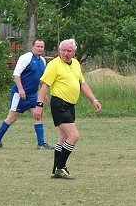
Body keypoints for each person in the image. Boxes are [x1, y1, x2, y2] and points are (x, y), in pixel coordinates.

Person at [34, 39, 101, 179]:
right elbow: (44, 85)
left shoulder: (76, 64)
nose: (65, 53)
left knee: (63, 138)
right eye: (63, 50)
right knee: (74, 136)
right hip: (59, 104)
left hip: (70, 105)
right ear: (59, 51)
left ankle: (55, 170)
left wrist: (94, 100)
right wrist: (39, 106)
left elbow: (82, 84)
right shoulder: (53, 65)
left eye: (69, 51)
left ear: (74, 52)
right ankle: (61, 167)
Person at [0, 39, 52, 149]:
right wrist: (20, 89)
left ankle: (41, 144)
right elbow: (16, 74)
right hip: (20, 95)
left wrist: (44, 94)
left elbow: (41, 79)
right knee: (12, 118)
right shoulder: (26, 58)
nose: (40, 49)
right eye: (37, 46)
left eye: (42, 47)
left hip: (33, 96)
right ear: (32, 47)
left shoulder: (42, 61)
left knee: (38, 116)